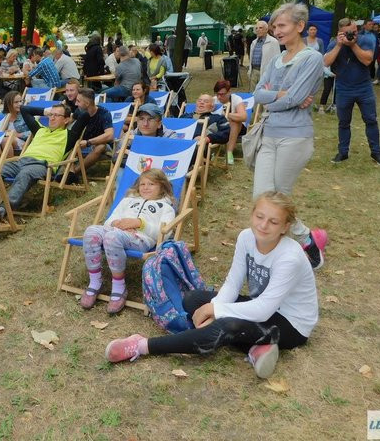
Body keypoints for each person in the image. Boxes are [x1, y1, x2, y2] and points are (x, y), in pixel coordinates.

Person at [104, 192, 318, 380]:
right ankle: (255, 345)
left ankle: (143, 346)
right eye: (259, 216)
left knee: (227, 326)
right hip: (261, 307)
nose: (263, 225)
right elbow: (233, 284)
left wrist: (216, 310)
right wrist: (214, 306)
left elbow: (264, 309)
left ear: (285, 227)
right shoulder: (246, 237)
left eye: (273, 222)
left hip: (291, 324)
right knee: (193, 300)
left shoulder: (290, 257)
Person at [253, 2, 328, 268]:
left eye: (281, 26)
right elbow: (257, 93)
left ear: (299, 26)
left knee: (279, 199)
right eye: (274, 27)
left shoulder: (311, 58)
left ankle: (294, 250)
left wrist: (277, 97)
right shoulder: (275, 60)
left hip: (294, 137)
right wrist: (283, 97)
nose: (276, 31)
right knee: (261, 197)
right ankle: (305, 237)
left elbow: (293, 97)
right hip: (269, 134)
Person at [80, 169, 176, 314]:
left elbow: (165, 232)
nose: (145, 187)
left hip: (140, 239)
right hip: (118, 231)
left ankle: (119, 287)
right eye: (142, 184)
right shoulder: (127, 201)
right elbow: (109, 221)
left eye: (151, 184)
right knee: (91, 231)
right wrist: (119, 223)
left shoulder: (166, 208)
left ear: (162, 187)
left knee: (112, 238)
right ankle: (95, 282)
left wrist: (138, 224)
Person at [0, 103, 90, 224]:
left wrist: (70, 114)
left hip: (41, 166)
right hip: (20, 162)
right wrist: (45, 111)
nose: (52, 118)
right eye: (51, 115)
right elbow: (24, 109)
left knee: (25, 175)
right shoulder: (40, 130)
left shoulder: (70, 135)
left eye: (57, 115)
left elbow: (85, 115)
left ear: (66, 119)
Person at [324, 18, 380, 165]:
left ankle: (376, 152)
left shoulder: (365, 40)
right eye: (349, 33)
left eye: (355, 31)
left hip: (364, 87)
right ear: (340, 32)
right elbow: (326, 62)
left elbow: (367, 60)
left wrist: (352, 45)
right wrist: (339, 45)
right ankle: (343, 152)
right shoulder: (335, 43)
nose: (354, 34)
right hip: (344, 88)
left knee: (371, 120)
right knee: (343, 122)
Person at [66, 88, 114, 183]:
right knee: (71, 144)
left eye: (78, 101)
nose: (76, 104)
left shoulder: (104, 113)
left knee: (100, 146)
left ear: (87, 103)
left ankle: (75, 172)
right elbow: (68, 122)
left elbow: (109, 135)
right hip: (81, 145)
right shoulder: (79, 112)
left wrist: (88, 142)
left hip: (98, 146)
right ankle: (70, 174)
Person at [213, 80, 248, 165]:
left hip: (238, 128)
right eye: (217, 94)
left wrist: (228, 115)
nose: (219, 97)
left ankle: (229, 152)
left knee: (235, 121)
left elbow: (243, 117)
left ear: (229, 92)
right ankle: (211, 151)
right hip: (220, 127)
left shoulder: (236, 99)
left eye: (222, 94)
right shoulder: (213, 100)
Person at [247, 21, 280, 89]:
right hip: (253, 71)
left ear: (266, 29)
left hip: (266, 73)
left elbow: (278, 60)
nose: (258, 30)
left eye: (260, 28)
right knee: (252, 93)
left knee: (263, 94)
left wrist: (274, 75)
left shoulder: (273, 42)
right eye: (256, 28)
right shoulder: (254, 42)